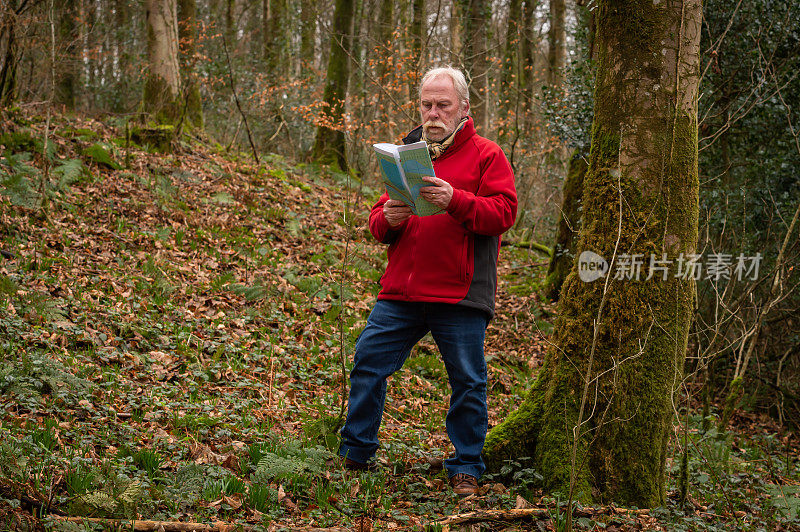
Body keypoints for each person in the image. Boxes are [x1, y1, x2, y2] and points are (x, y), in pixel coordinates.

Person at [338, 66, 517, 496]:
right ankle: (356, 453)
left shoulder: (486, 155)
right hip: (402, 289)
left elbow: (504, 213)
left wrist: (456, 200)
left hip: (460, 293)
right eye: (426, 104)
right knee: (367, 361)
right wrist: (389, 217)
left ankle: (467, 466)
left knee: (468, 381)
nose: (433, 113)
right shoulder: (405, 153)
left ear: (464, 108)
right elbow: (378, 222)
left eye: (443, 105)